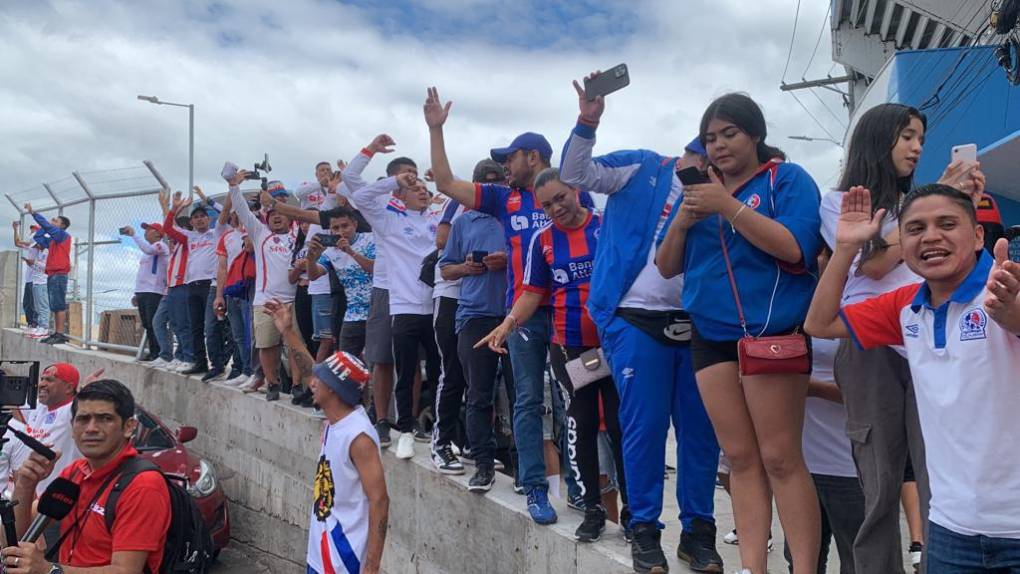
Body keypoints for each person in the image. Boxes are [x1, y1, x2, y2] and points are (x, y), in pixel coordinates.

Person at [804, 184, 1020, 573]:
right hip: (951, 533)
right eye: (916, 228)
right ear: (902, 245)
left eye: (947, 224)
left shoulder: (1006, 292)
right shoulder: (906, 306)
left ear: (977, 236)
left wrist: (1015, 318)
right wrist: (847, 249)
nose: (931, 236)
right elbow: (819, 323)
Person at [559, 73, 723, 572]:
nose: (711, 167)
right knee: (644, 427)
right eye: (708, 154)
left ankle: (698, 533)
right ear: (691, 151)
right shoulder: (643, 167)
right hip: (633, 320)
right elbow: (575, 173)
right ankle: (644, 528)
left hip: (696, 323)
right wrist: (588, 121)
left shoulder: (724, 195)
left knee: (700, 433)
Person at [656, 93, 823, 574]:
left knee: (780, 458)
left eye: (730, 133)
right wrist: (684, 222)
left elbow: (795, 248)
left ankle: (804, 568)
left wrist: (728, 206)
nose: (719, 144)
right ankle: (753, 566)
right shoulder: (697, 194)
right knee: (740, 458)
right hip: (710, 336)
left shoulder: (785, 179)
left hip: (772, 331)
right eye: (710, 137)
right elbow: (667, 266)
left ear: (754, 134)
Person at [817, 103, 986, 574]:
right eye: (907, 136)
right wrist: (942, 196)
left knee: (940, 473)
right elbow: (873, 262)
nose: (916, 148)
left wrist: (959, 204)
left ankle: (945, 563)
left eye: (921, 139)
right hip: (870, 343)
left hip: (934, 338)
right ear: (877, 139)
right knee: (879, 479)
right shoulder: (842, 203)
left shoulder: (925, 205)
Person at [426, 86, 594, 525]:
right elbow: (445, 182)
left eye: (512, 156)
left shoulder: (571, 192)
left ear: (533, 157)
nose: (505, 164)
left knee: (570, 399)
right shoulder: (505, 198)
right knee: (525, 401)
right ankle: (535, 488)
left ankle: (578, 486)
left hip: (565, 317)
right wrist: (435, 130)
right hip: (519, 315)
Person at [477, 168, 629, 543]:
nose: (555, 208)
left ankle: (635, 513)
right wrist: (508, 323)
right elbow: (531, 293)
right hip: (572, 347)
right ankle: (591, 508)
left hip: (617, 345)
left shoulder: (607, 225)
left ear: (576, 191)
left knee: (623, 425)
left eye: (560, 198)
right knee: (582, 422)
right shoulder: (542, 240)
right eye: (546, 204)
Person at [261, 300, 389, 574]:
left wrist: (371, 567)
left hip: (344, 559)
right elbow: (310, 369)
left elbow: (380, 500)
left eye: (322, 380)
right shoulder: (336, 417)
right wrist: (287, 331)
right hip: (322, 552)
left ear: (335, 390)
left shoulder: (359, 436)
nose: (312, 383)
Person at [3, 379, 171, 573]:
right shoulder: (76, 472)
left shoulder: (143, 485)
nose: (91, 428)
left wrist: (50, 570)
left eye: (105, 419)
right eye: (83, 419)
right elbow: (16, 534)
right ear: (72, 428)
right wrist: (26, 484)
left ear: (129, 427)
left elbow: (125, 571)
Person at [350, 167, 442, 461]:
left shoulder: (437, 217)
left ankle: (443, 434)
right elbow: (361, 196)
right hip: (404, 307)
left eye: (425, 190)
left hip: (437, 305)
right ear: (400, 196)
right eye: (415, 189)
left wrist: (439, 182)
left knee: (442, 374)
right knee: (404, 372)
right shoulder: (389, 221)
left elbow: (459, 201)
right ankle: (403, 431)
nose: (422, 192)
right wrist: (394, 181)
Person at [434, 159, 509, 483]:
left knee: (523, 398)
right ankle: (483, 463)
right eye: (487, 183)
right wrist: (466, 268)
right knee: (478, 394)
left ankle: (524, 469)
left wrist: (507, 261)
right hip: (475, 314)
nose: (494, 188)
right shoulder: (464, 223)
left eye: (499, 183)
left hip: (516, 314)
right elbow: (445, 268)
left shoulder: (517, 217)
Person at [227, 168, 298, 401]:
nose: (277, 216)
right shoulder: (260, 233)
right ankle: (272, 384)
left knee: (295, 347)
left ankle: (298, 385)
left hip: (293, 301)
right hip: (265, 301)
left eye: (281, 211)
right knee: (267, 346)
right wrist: (234, 185)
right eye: (273, 212)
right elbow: (241, 209)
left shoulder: (298, 234)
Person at [163, 187, 227, 380]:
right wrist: (173, 209)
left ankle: (218, 364)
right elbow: (167, 228)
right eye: (196, 217)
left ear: (209, 219)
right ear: (191, 222)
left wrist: (207, 201)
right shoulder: (189, 237)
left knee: (211, 327)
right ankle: (200, 362)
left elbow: (227, 212)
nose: (199, 219)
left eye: (203, 216)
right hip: (191, 285)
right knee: (195, 327)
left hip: (210, 285)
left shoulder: (216, 233)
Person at [306, 206, 375, 361]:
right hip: (352, 315)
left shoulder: (370, 239)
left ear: (355, 225)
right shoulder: (330, 252)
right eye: (335, 228)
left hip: (377, 312)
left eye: (345, 226)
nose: (340, 232)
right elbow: (314, 275)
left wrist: (350, 251)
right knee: (346, 365)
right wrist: (311, 258)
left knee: (377, 362)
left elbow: (375, 268)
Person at [213, 195, 255, 387]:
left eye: (242, 210)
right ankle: (246, 370)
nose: (238, 215)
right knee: (238, 333)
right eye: (235, 211)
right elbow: (222, 268)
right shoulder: (226, 237)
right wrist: (219, 295)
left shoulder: (256, 231)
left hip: (250, 287)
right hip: (232, 289)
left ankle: (254, 371)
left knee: (250, 332)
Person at [25, 203, 71, 345]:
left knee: (59, 304)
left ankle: (60, 334)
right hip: (52, 273)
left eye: (56, 221)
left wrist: (33, 212)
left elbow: (46, 227)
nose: (52, 221)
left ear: (62, 226)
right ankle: (56, 333)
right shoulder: (52, 239)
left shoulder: (62, 235)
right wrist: (46, 227)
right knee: (55, 305)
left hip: (59, 273)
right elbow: (38, 238)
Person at [124, 223, 169, 362]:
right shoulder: (146, 253)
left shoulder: (160, 246)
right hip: (143, 292)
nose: (146, 232)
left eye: (149, 230)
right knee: (147, 324)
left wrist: (133, 235)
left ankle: (161, 353)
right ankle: (154, 352)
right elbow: (143, 274)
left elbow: (149, 250)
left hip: (154, 291)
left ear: (158, 233)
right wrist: (137, 292)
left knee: (153, 322)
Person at [15, 224, 49, 340]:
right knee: (31, 304)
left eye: (33, 229)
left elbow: (46, 267)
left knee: (40, 305)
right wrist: (32, 263)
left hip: (41, 281)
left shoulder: (45, 250)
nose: (37, 246)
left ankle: (41, 326)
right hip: (34, 280)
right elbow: (18, 243)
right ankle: (36, 325)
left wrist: (33, 262)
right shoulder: (38, 249)